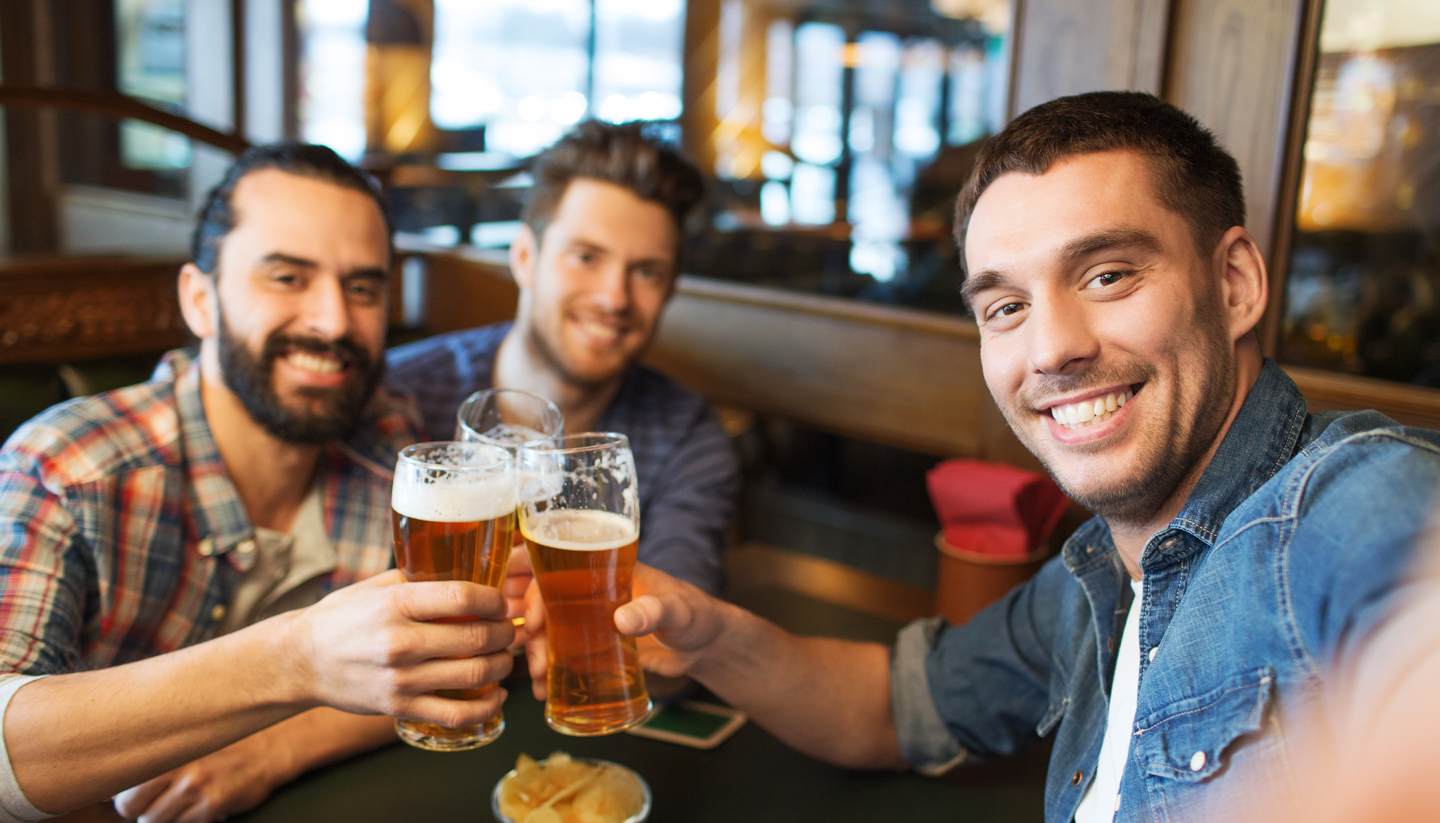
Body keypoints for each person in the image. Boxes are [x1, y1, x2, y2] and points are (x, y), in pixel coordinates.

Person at [521, 92, 1440, 822]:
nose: (1051, 349)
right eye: (1006, 307)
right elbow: (888, 706)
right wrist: (710, 633)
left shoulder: (1355, 498)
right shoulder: (1096, 579)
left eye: (1107, 275)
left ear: (1234, 284)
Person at [0, 144, 520, 822]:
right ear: (199, 299)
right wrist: (296, 658)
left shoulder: (390, 449)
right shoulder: (65, 468)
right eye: (286, 277)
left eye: (362, 287)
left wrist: (278, 743)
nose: (333, 321)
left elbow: (429, 659)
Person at [388, 120, 739, 595]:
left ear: (671, 289)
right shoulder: (400, 390)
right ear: (524, 257)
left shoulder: (686, 437)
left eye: (647, 272)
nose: (615, 297)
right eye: (587, 257)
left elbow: (678, 635)